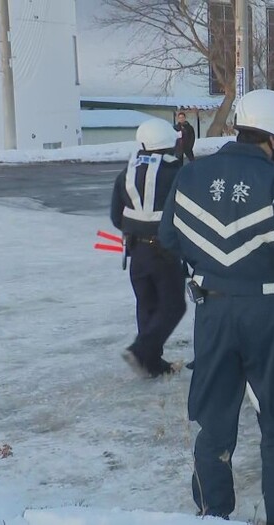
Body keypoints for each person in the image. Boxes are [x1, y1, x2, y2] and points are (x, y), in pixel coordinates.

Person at [159, 89, 274, 524]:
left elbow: (168, 238)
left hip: (212, 312)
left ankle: (212, 512)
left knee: (213, 419)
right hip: (268, 314)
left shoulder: (193, 175)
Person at [110, 118, 188, 378]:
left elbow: (115, 216)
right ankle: (141, 351)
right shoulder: (176, 172)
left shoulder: (127, 173)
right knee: (174, 306)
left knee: (147, 305)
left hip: (136, 252)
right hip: (165, 252)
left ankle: (151, 364)